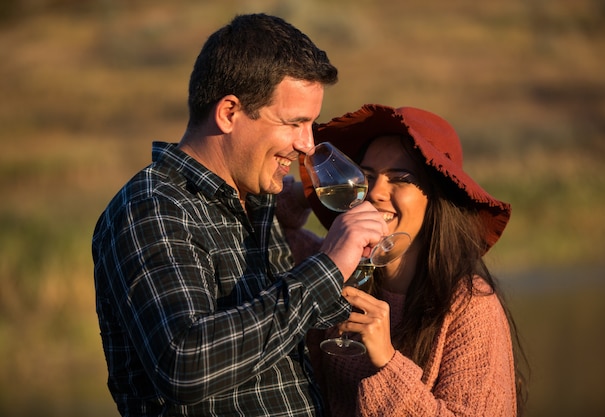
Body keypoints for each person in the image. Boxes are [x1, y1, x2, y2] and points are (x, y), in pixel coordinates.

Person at [92, 14, 389, 417]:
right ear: (229, 112)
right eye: (295, 123)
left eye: (311, 124)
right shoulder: (152, 208)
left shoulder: (255, 201)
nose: (307, 145)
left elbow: (278, 326)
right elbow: (185, 364)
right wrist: (328, 266)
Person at [277, 104, 528, 416]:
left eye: (400, 178)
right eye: (366, 176)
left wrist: (386, 361)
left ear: (436, 198)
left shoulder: (470, 305)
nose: (376, 192)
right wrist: (308, 193)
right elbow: (267, 228)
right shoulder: (336, 271)